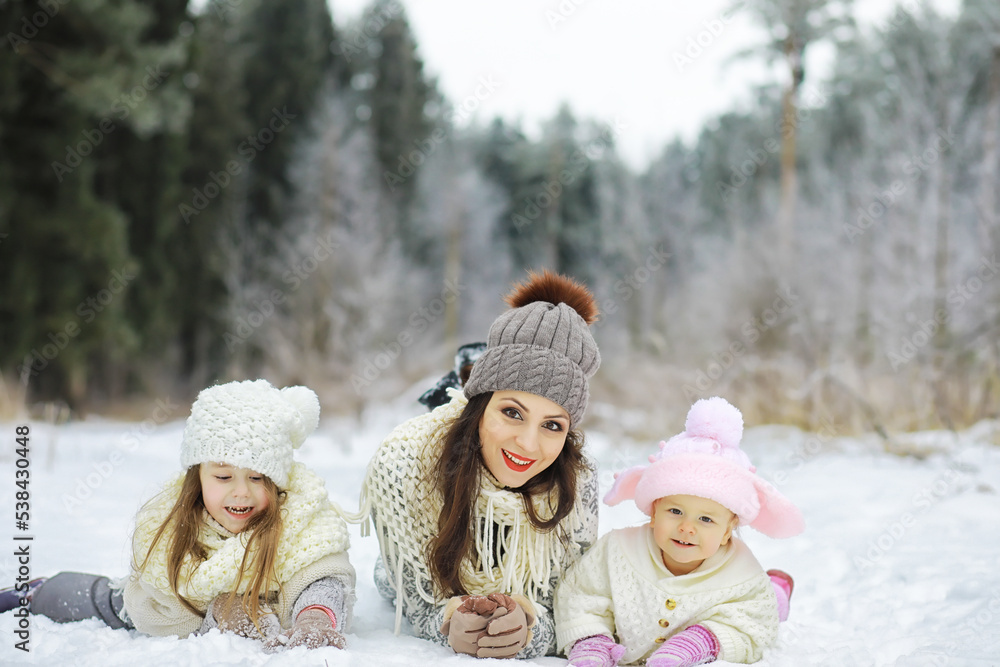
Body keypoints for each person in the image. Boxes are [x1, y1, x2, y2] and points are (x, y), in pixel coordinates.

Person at [5, 380, 356, 652]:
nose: (241, 492)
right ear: (197, 477)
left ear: (278, 481)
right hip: (176, 600)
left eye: (257, 477)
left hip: (278, 599)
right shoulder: (174, 526)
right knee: (111, 601)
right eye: (223, 477)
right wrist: (224, 610)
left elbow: (322, 580)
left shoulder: (302, 520)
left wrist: (315, 619)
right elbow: (158, 612)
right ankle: (35, 592)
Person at [362, 270, 602, 659]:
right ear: (480, 406)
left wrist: (528, 629)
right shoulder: (409, 462)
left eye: (552, 425)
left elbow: (571, 603)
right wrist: (448, 622)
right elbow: (412, 592)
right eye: (512, 412)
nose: (528, 443)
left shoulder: (576, 479)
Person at [555, 397, 804, 667]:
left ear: (727, 532)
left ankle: (777, 589)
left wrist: (700, 641)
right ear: (653, 512)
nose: (687, 527)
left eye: (706, 519)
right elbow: (582, 594)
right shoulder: (617, 551)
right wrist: (591, 640)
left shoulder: (742, 575)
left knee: (771, 603)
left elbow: (754, 625)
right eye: (675, 512)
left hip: (760, 595)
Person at [417, 341, 487, 411]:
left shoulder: (495, 393)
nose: (474, 380)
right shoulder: (443, 398)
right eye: (467, 374)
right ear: (458, 373)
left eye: (481, 373)